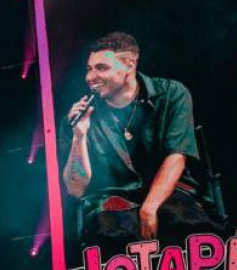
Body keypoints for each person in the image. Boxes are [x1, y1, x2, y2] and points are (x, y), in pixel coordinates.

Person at [61, 31, 219, 252]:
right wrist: (79, 135)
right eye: (89, 69)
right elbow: (75, 188)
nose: (90, 77)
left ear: (129, 65)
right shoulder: (79, 118)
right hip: (113, 202)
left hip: (170, 193)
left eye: (101, 68)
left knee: (186, 222)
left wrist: (150, 206)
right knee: (106, 232)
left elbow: (177, 156)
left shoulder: (171, 94)